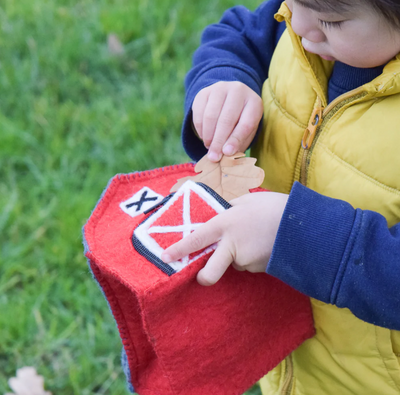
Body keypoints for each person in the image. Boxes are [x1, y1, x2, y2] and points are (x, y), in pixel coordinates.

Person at [161, 0, 400, 394]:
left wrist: (296, 237)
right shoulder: (300, 17)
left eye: (330, 20)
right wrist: (225, 79)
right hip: (291, 359)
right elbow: (239, 34)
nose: (298, 27)